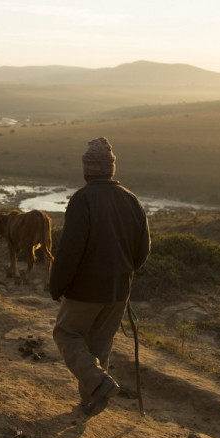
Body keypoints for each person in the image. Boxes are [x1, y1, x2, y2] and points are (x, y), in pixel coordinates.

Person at [49, 137, 151, 417]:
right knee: (99, 347)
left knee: (67, 334)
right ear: (111, 169)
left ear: (87, 169)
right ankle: (91, 401)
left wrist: (56, 285)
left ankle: (98, 384)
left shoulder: (83, 199)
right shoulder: (131, 199)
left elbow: (70, 251)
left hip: (86, 291)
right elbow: (143, 250)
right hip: (119, 290)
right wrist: (123, 273)